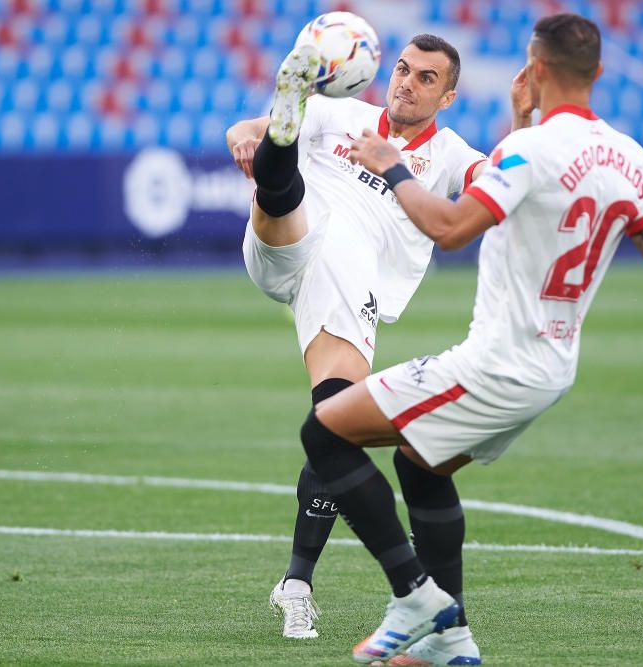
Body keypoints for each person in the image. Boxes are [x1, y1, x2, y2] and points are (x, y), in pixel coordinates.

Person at [298, 13, 643, 665]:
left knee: (324, 431)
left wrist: (393, 165)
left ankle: (415, 595)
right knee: (419, 464)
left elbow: (453, 228)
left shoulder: (531, 151)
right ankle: (450, 639)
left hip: (492, 364)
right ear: (597, 74)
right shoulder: (627, 157)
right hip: (551, 370)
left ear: (535, 69)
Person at [225, 34, 491, 640]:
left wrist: (525, 125)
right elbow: (241, 127)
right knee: (282, 174)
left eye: (427, 78)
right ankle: (281, 138)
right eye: (402, 69)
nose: (407, 82)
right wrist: (244, 134)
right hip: (285, 242)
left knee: (334, 416)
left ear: (447, 96)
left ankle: (296, 584)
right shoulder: (339, 111)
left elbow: (493, 176)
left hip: (346, 282)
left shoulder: (449, 155)